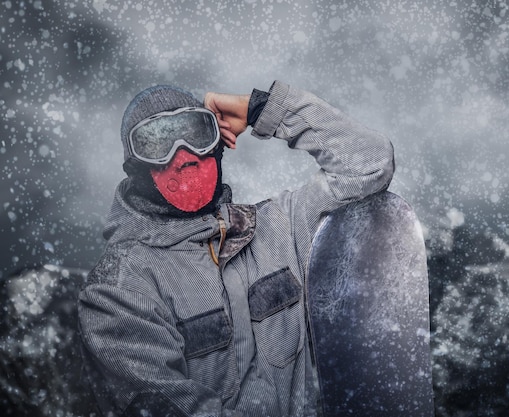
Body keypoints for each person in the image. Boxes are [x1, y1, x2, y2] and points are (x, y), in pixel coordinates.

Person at [78, 80, 395, 416]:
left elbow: (369, 162)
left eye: (195, 134)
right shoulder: (119, 288)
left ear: (218, 144)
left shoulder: (278, 228)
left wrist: (262, 110)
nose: (182, 156)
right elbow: (163, 408)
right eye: (156, 143)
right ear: (136, 169)